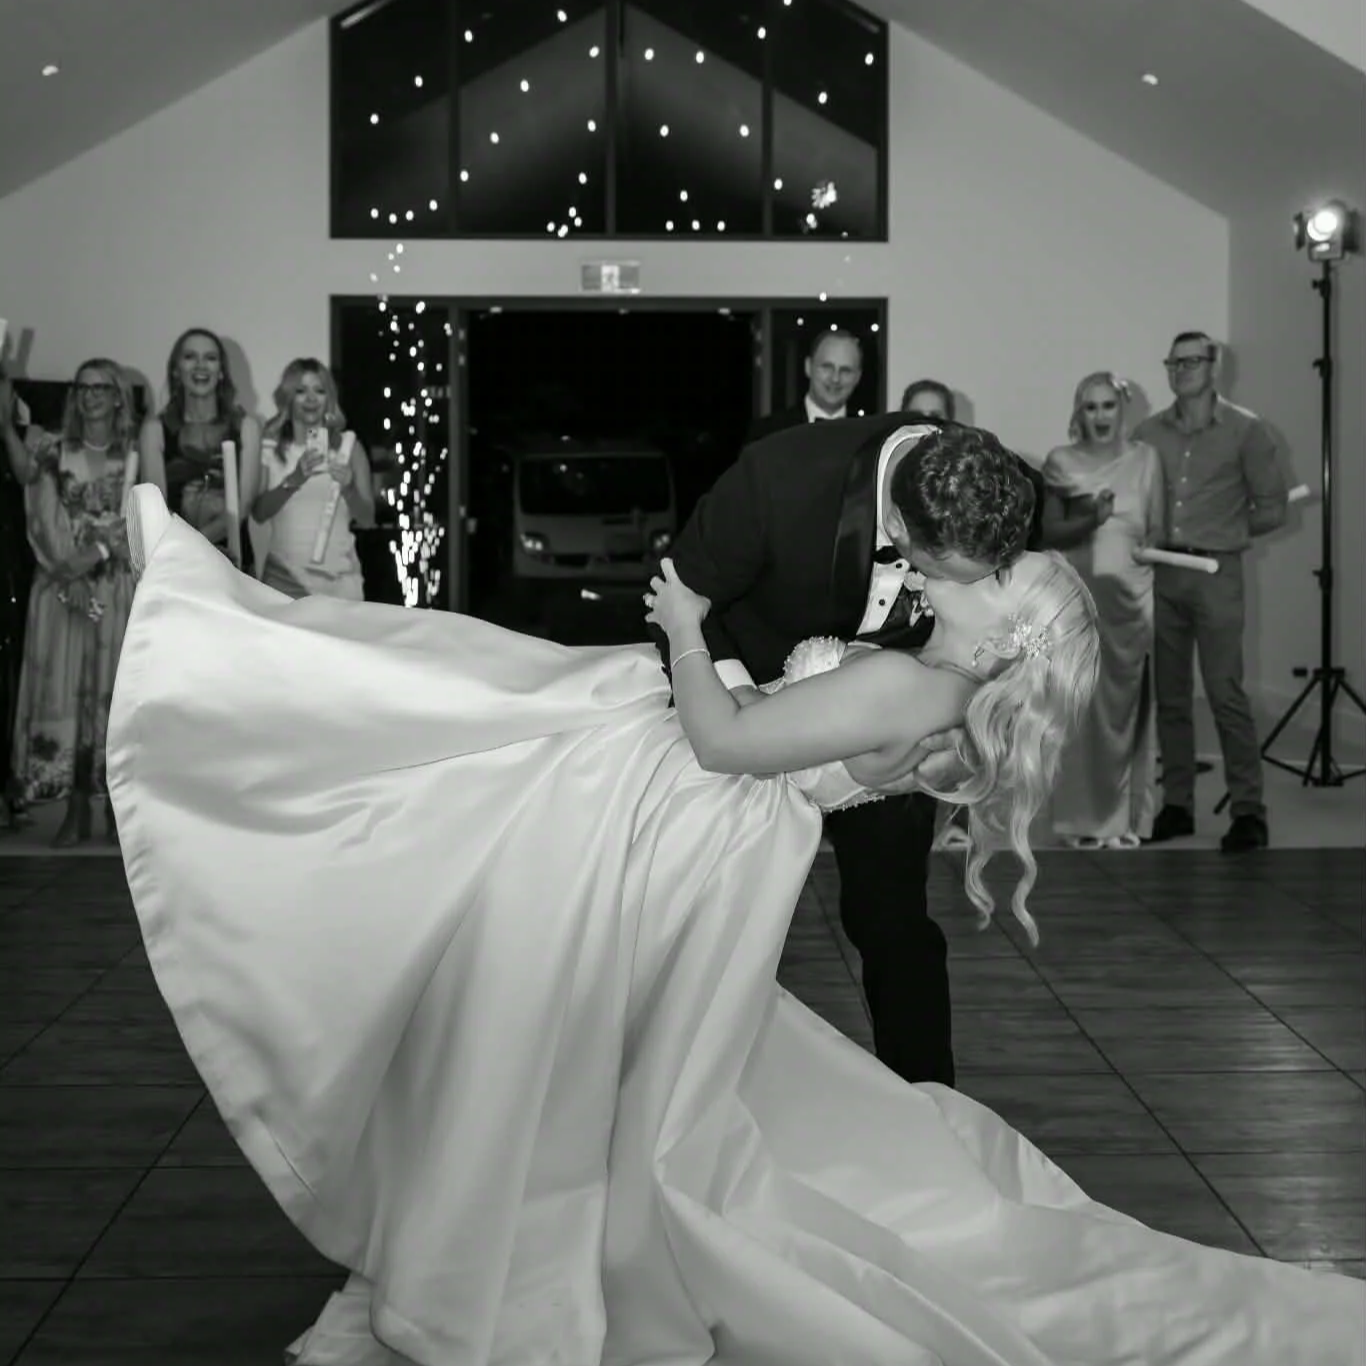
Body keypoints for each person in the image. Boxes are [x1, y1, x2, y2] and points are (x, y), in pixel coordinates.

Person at [106, 483, 1363, 1366]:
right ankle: (227, 625)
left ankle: (217, 639)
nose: (948, 572)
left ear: (1010, 628)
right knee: (466, 719)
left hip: (677, 806)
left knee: (449, 719)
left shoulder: (907, 681)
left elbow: (725, 737)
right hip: (721, 838)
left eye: (983, 579)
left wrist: (687, 625)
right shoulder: (947, 702)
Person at [659, 416, 1040, 1085]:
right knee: (717, 929)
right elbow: (685, 588)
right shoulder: (779, 481)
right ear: (896, 523)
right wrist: (747, 700)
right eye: (941, 573)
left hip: (892, 722)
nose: (938, 591)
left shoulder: (996, 492)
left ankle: (928, 1104)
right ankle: (699, 1093)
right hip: (750, 700)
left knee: (893, 918)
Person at [1134, 330, 1289, 852]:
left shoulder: (1247, 431)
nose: (1182, 370)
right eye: (1174, 363)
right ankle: (1176, 805)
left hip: (1217, 575)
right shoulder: (1149, 433)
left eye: (1193, 361)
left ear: (1213, 366)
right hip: (1164, 576)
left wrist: (1226, 535)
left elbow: (1273, 507)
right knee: (1171, 697)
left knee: (1225, 693)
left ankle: (1249, 811)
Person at [3, 359, 138, 845]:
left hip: (114, 588)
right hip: (62, 589)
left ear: (118, 396)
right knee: (63, 693)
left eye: (101, 388)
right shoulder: (51, 451)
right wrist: (72, 567)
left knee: (109, 695)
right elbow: (39, 516)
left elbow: (138, 524)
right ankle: (70, 807)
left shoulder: (134, 457)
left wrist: (102, 554)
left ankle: (109, 809)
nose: (91, 396)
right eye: (82, 387)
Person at [1042, 371, 1163, 847]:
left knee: (1128, 708)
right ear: (1078, 412)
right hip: (1081, 598)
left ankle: (1124, 820)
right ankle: (1081, 821)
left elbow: (1157, 532)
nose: (1099, 416)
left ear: (1122, 409)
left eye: (1108, 405)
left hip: (1134, 599)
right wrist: (1095, 516)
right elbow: (1051, 532)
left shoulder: (1147, 460)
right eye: (1090, 406)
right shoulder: (1060, 461)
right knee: (1080, 709)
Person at [138, 326, 261, 570]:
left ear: (222, 371)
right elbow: (157, 508)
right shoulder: (154, 429)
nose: (200, 365)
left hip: (232, 562)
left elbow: (243, 506)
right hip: (176, 564)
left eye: (210, 358)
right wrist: (190, 551)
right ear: (176, 369)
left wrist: (196, 546)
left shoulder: (246, 426)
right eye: (190, 357)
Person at [252, 358, 376, 600]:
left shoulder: (349, 447)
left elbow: (368, 519)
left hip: (340, 582)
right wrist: (294, 479)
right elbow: (258, 513)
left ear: (329, 398)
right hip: (285, 579)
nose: (311, 399)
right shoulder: (271, 444)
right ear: (288, 396)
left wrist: (349, 488)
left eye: (319, 391)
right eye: (301, 391)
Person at [747, 329, 862, 441]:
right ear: (808, 367)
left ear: (858, 377)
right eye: (827, 367)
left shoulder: (870, 436)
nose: (835, 378)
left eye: (845, 370)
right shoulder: (768, 432)